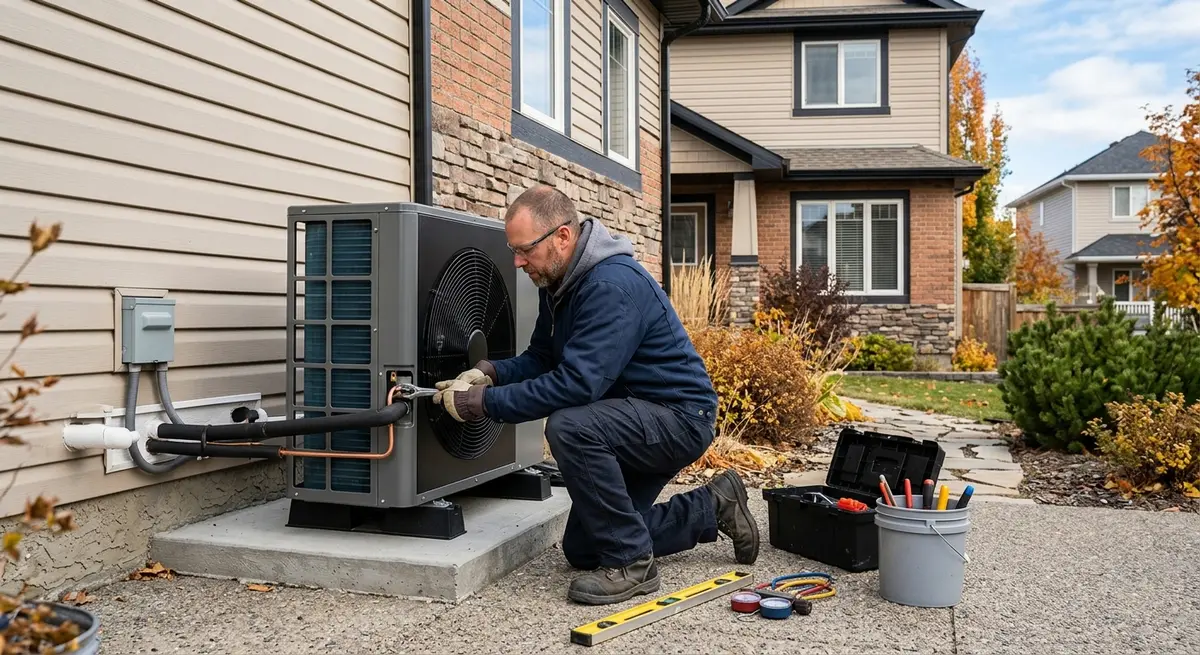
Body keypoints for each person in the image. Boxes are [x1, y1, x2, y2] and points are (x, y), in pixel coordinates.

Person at [432, 184, 759, 606]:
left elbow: (575, 384)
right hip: (631, 418)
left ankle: (634, 565)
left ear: (562, 237)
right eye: (513, 250)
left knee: (569, 425)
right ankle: (713, 505)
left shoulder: (610, 286)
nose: (517, 262)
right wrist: (489, 373)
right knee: (585, 548)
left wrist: (483, 406)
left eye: (524, 250)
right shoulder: (560, 283)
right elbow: (543, 357)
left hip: (677, 418)